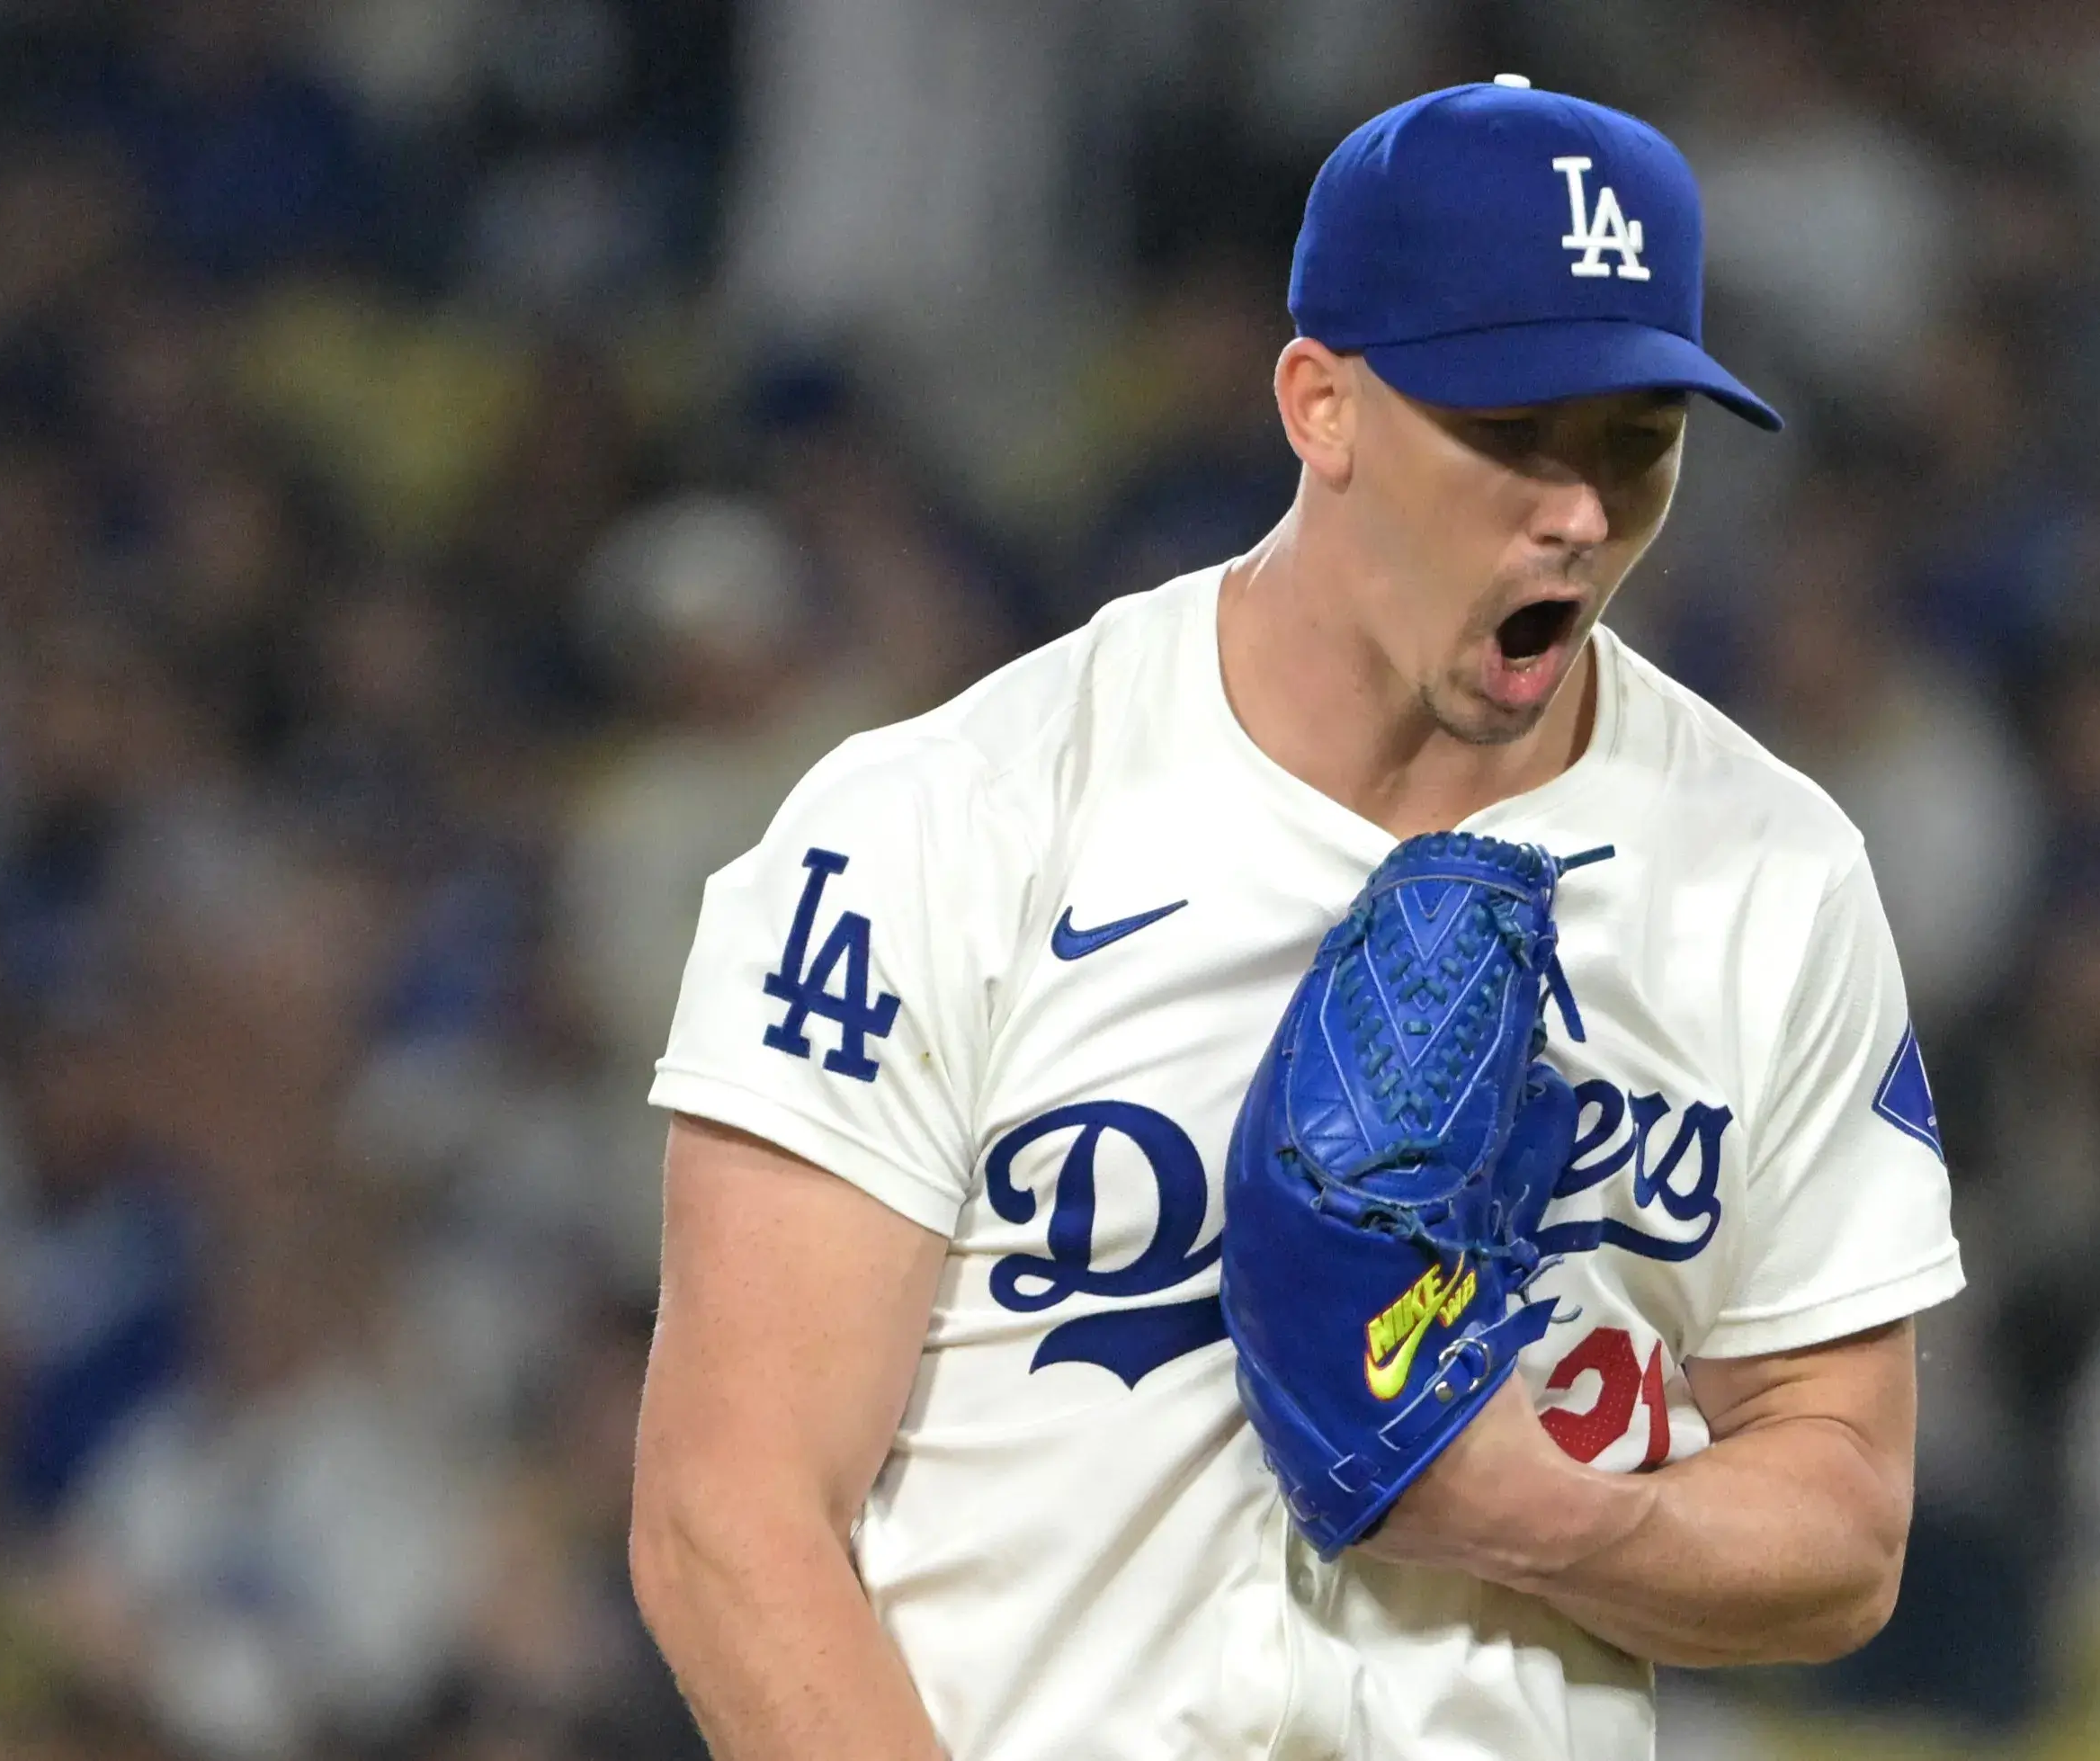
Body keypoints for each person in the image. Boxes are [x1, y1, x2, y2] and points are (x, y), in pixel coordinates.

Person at [628, 76, 1966, 1760]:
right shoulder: (952, 823)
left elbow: (1846, 1519)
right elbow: (727, 1515)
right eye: (1511, 432)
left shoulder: (1770, 875)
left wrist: (1538, 1517)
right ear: (1320, 406)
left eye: (1637, 444)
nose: (1576, 511)